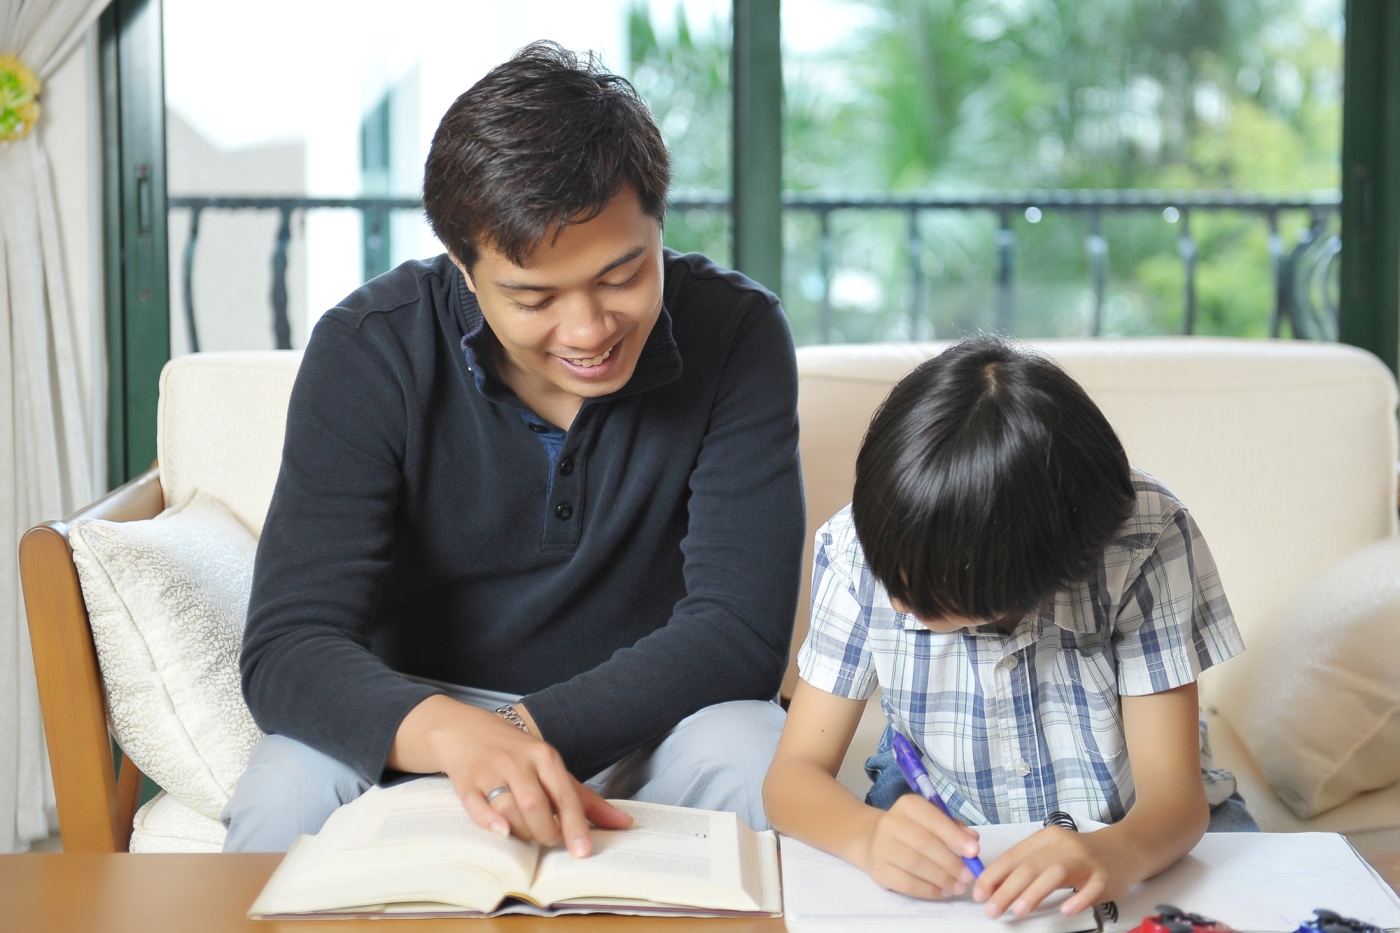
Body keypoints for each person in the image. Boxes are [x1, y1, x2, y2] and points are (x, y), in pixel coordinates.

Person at [223, 42, 804, 853]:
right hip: (422, 730)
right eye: (534, 297)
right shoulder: (368, 348)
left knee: (755, 752)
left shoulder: (738, 331)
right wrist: (461, 739)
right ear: (463, 267)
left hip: (647, 724)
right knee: (286, 787)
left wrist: (520, 735)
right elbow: (289, 646)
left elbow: (737, 632)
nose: (589, 330)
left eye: (621, 275)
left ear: (658, 225)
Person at [764, 336, 1254, 920]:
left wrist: (1117, 851)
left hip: (1136, 822)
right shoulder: (852, 551)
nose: (895, 602)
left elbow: (1174, 794)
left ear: (1040, 575)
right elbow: (791, 780)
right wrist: (865, 837)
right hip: (943, 821)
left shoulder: (1144, 540)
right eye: (887, 574)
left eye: (927, 594)